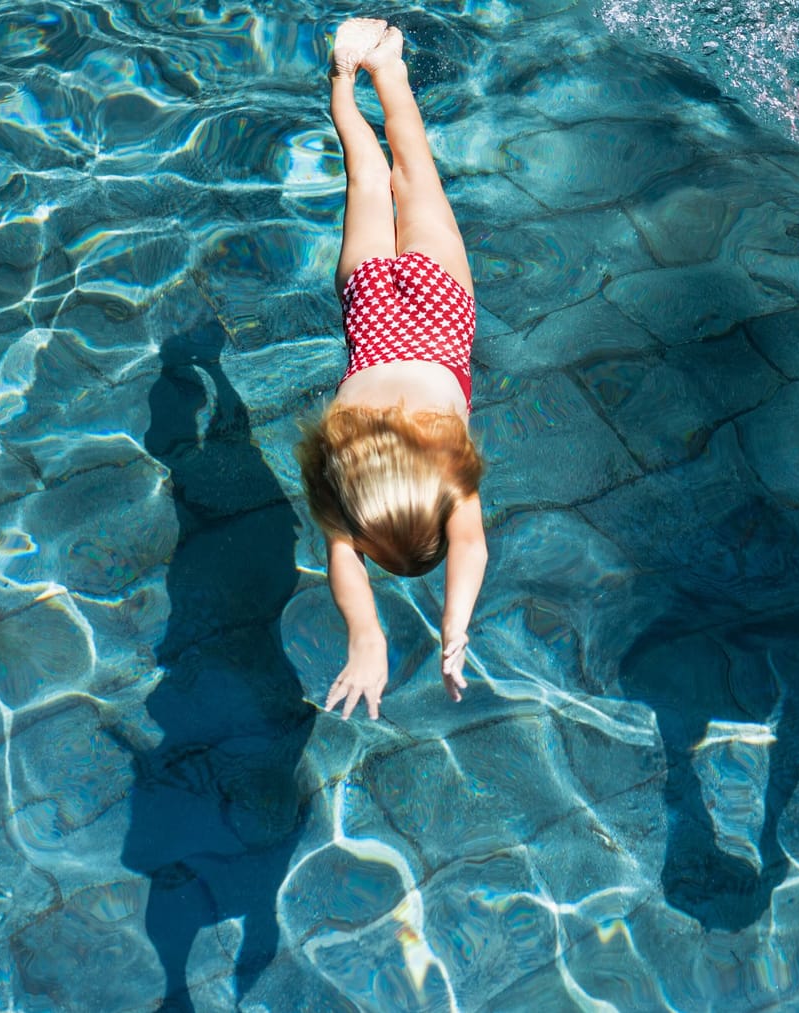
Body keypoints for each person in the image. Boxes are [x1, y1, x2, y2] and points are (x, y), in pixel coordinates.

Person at [297, 19, 486, 719]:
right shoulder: (341, 470)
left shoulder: (447, 464)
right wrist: (364, 633)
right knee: (370, 175)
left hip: (439, 304)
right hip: (370, 305)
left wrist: (454, 632)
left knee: (414, 172)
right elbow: (343, 561)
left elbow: (469, 549)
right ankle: (345, 78)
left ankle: (391, 68)